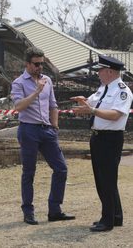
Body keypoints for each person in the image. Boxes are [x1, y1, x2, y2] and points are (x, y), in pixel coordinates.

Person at [11, 46, 75, 225]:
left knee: (61, 168)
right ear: (27, 64)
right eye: (36, 64)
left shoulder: (47, 80)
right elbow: (18, 107)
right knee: (29, 172)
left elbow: (53, 104)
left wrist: (55, 126)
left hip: (47, 130)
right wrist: (36, 91)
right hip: (28, 130)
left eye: (42, 64)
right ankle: (28, 211)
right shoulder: (18, 82)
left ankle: (54, 210)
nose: (40, 67)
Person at [71, 55, 133, 232]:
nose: (98, 73)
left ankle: (107, 221)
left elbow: (115, 115)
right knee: (104, 179)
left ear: (110, 71)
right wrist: (83, 102)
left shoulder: (122, 91)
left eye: (100, 70)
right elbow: (91, 104)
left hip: (110, 139)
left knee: (106, 180)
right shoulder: (104, 88)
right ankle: (116, 216)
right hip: (98, 137)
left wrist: (91, 110)